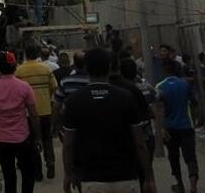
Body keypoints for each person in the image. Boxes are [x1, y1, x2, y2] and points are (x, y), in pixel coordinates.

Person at [61, 48, 156, 193]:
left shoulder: (74, 101)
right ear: (110, 67)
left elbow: (68, 145)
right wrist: (149, 178)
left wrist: (68, 174)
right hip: (126, 176)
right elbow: (140, 143)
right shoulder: (126, 97)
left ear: (86, 68)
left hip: (91, 179)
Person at [0, 52, 41, 193]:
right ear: (15, 66)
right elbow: (33, 114)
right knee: (28, 174)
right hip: (22, 137)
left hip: (1, 140)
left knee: (9, 176)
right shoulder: (24, 87)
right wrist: (37, 136)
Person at [109, 57, 157, 190]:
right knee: (144, 170)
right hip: (144, 136)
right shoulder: (141, 87)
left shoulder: (113, 89)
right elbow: (150, 111)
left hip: (124, 140)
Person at [16, 44, 58, 180]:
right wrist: (45, 96)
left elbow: (17, 92)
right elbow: (54, 87)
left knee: (33, 142)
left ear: (25, 55)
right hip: (45, 110)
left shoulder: (19, 71)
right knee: (47, 139)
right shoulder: (46, 69)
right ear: (38, 54)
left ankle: (38, 173)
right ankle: (50, 163)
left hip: (28, 113)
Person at [156, 59, 198, 193]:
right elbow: (194, 102)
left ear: (164, 70)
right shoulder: (185, 84)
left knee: (173, 157)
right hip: (186, 126)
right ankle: (193, 185)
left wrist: (161, 128)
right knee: (190, 156)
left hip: (170, 129)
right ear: (176, 70)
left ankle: (180, 185)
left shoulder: (160, 87)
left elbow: (159, 110)